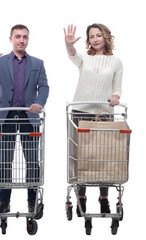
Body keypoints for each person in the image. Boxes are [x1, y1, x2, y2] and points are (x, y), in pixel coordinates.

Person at [0, 24, 49, 214]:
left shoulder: (37, 63)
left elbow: (44, 87)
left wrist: (39, 103)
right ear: (11, 39)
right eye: (17, 36)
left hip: (29, 116)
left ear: (28, 39)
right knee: (5, 161)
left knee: (32, 161)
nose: (21, 40)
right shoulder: (0, 62)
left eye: (25, 37)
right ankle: (4, 201)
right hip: (6, 116)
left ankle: (32, 201)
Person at [64, 23, 122, 215]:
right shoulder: (85, 59)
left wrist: (115, 98)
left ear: (106, 37)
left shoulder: (116, 62)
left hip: (103, 113)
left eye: (98, 35)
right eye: (91, 36)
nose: (95, 39)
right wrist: (69, 44)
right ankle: (81, 196)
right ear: (88, 40)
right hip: (80, 111)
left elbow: (117, 89)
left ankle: (104, 198)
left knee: (103, 156)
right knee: (81, 156)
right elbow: (72, 55)